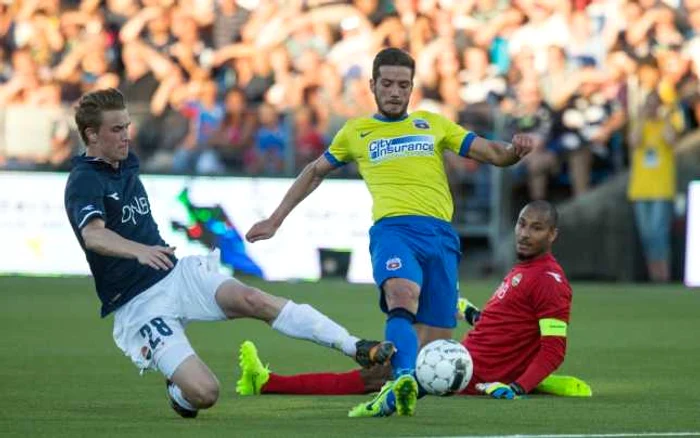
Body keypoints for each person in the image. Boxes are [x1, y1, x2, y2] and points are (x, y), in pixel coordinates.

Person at [63, 88, 395, 419]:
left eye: (127, 126)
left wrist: (151, 253)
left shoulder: (124, 163)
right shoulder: (84, 181)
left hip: (175, 274)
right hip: (139, 303)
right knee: (205, 393)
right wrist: (140, 251)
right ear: (91, 135)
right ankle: (180, 391)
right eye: (116, 130)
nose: (126, 137)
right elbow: (93, 235)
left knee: (254, 299)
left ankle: (356, 347)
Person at [245, 47, 538, 417]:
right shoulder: (356, 132)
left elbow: (493, 153)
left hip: (442, 237)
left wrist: (515, 149)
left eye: (403, 84)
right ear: (372, 85)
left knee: (430, 351)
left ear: (412, 87)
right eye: (387, 84)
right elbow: (314, 172)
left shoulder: (434, 124)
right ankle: (400, 383)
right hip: (393, 230)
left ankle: (376, 385)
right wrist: (275, 219)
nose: (396, 91)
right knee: (402, 295)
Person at [237, 201, 591, 409]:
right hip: (461, 357)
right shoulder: (525, 270)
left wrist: (517, 387)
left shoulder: (548, 280)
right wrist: (468, 312)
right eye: (522, 224)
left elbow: (553, 349)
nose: (525, 234)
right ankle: (268, 382)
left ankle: (267, 382)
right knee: (385, 361)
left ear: (553, 235)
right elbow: (506, 326)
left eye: (537, 229)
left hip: (465, 373)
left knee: (376, 372)